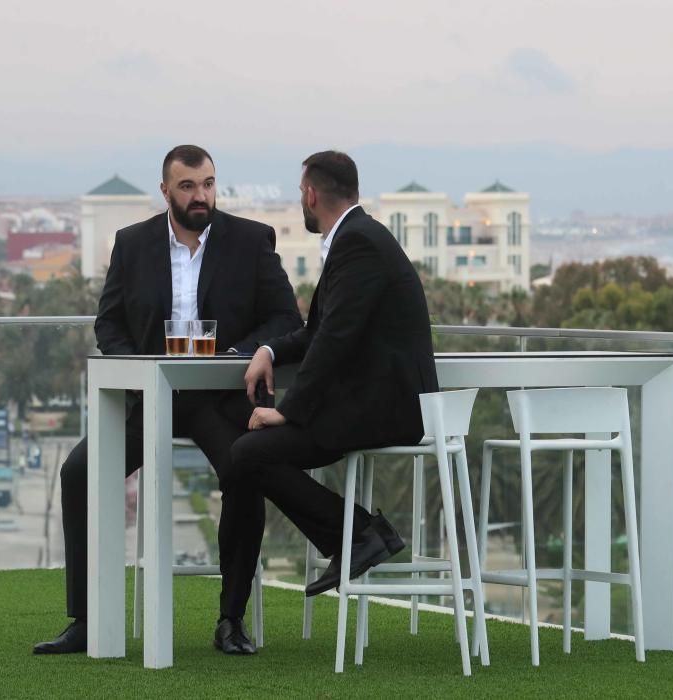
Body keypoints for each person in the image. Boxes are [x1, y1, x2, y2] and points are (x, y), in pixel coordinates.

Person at [33, 145, 302, 656]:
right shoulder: (132, 245)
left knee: (245, 473)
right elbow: (109, 323)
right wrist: (134, 369)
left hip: (223, 399)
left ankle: (230, 620)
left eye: (207, 184)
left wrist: (239, 354)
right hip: (151, 397)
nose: (201, 196)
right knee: (79, 473)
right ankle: (89, 620)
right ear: (166, 191)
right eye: (188, 186)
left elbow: (286, 319)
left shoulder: (250, 240)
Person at [231, 150, 439, 597]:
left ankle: (360, 535)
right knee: (250, 452)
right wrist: (268, 349)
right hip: (372, 403)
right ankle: (358, 536)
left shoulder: (358, 242)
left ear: (310, 194)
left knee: (249, 454)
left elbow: (335, 338)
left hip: (383, 410)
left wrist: (289, 413)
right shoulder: (356, 237)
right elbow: (316, 333)